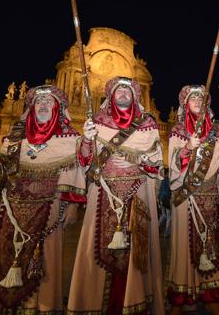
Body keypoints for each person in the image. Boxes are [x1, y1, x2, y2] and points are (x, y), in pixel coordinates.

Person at [0, 85, 85, 315]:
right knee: (2, 257)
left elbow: (75, 172)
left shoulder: (71, 139)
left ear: (58, 109)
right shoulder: (13, 138)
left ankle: (40, 308)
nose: (42, 105)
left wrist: (72, 205)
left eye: (48, 102)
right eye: (38, 102)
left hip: (50, 211)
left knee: (45, 262)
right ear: (31, 107)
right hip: (11, 211)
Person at [67, 76, 165, 315]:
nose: (123, 92)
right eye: (119, 89)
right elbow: (84, 162)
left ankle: (136, 302)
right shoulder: (96, 124)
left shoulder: (148, 124)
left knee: (136, 252)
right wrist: (87, 140)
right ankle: (93, 304)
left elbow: (157, 162)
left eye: (128, 90)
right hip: (103, 194)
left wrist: (140, 161)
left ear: (135, 97)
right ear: (110, 96)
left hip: (138, 195)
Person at [166, 85, 219, 315]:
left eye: (200, 97)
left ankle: (212, 296)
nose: (196, 99)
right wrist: (186, 148)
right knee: (184, 245)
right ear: (185, 103)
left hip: (210, 194)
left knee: (210, 243)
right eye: (192, 97)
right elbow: (172, 165)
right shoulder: (177, 130)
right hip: (185, 194)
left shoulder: (217, 129)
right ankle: (182, 297)